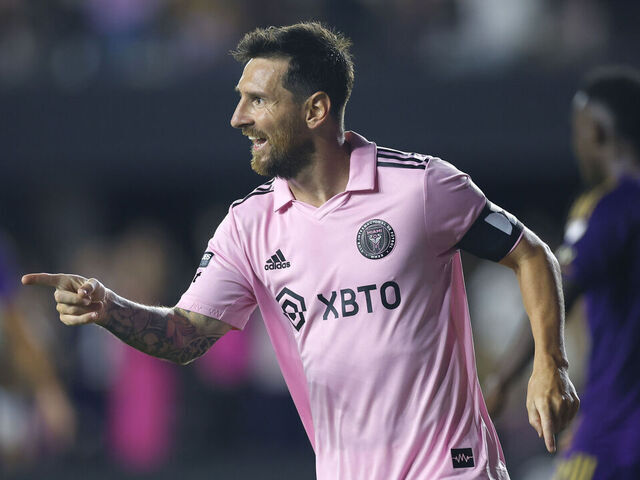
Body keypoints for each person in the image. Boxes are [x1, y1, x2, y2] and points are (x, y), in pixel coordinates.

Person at [22, 22, 579, 479]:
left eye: (257, 100)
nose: (238, 118)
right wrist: (109, 308)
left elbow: (532, 255)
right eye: (240, 100)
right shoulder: (248, 226)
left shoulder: (422, 188)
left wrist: (549, 365)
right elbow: (184, 335)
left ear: (315, 110)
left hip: (453, 470)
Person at [484, 66, 640, 480]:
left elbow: (560, 285)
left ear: (597, 134)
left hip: (616, 433)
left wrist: (502, 379)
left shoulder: (610, 207)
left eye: (578, 133)